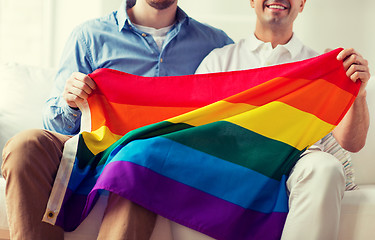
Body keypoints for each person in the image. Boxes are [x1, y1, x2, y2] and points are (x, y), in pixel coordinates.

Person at [1, 0, 233, 239]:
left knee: (141, 157)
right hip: (94, 150)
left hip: (159, 160)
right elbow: (55, 125)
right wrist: (70, 102)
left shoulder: (216, 46)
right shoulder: (89, 36)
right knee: (25, 145)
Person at [195, 0, 370, 239]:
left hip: (298, 162)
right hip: (236, 166)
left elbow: (353, 143)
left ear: (302, 3)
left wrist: (358, 95)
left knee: (326, 168)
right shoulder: (218, 62)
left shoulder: (322, 65)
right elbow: (194, 134)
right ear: (252, 1)